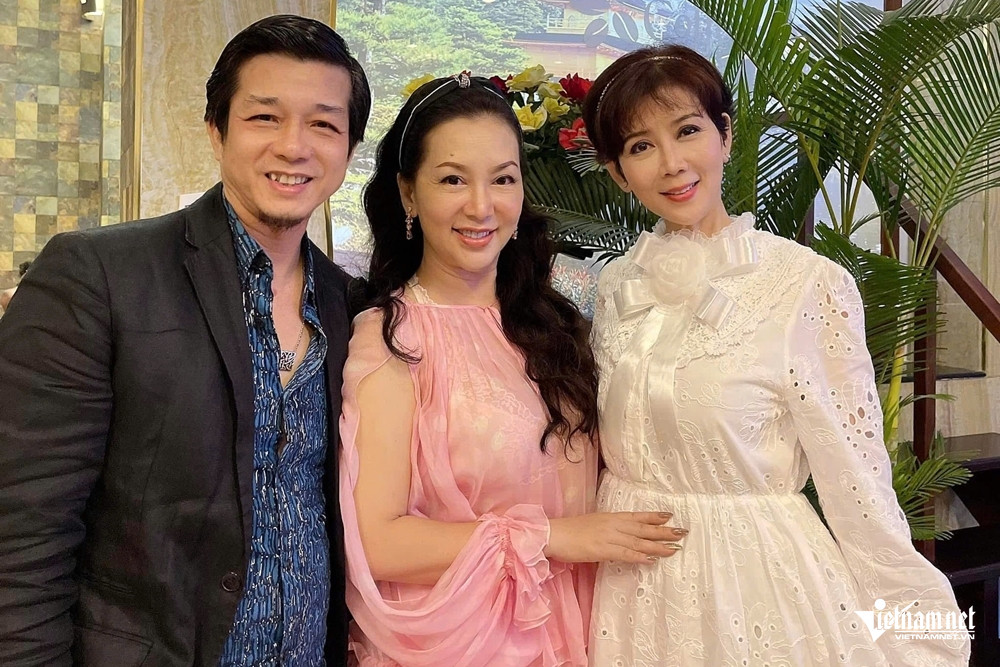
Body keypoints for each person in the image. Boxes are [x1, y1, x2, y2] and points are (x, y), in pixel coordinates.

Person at [582, 45, 971, 666]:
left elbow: (857, 481)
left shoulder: (806, 285)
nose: (672, 163)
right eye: (641, 145)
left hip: (751, 585)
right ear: (617, 172)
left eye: (688, 131)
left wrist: (916, 630)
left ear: (725, 135)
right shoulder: (616, 287)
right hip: (628, 588)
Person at [0, 15, 371, 666]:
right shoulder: (99, 275)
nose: (294, 146)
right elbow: (23, 528)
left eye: (323, 124)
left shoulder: (351, 307)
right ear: (216, 130)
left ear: (349, 148)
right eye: (264, 117)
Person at [339, 73, 686, 666]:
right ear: (408, 193)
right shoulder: (393, 336)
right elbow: (379, 543)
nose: (482, 206)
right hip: (465, 641)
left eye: (502, 179)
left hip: (579, 624)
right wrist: (554, 536)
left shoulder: (557, 323)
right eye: (453, 179)